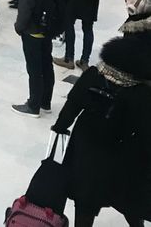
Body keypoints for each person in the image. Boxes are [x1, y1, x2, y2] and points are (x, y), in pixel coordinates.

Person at [52, 35, 151, 227]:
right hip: (120, 156)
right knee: (127, 202)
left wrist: (60, 126)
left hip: (86, 150)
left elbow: (72, 105)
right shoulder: (140, 92)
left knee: (84, 203)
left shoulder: (93, 75)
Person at [12, 0, 59, 116]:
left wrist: (18, 27)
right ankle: (46, 101)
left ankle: (33, 105)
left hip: (32, 32)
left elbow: (25, 12)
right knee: (47, 66)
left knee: (34, 70)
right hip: (47, 30)